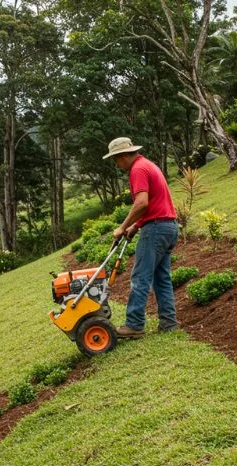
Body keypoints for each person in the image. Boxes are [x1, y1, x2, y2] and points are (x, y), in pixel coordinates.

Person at [103, 137, 178, 338]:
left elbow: (141, 203)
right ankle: (168, 323)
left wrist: (122, 227)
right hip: (169, 226)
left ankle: (134, 324)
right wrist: (136, 225)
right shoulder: (148, 165)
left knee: (140, 276)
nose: (116, 165)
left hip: (156, 229)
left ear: (124, 156)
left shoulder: (137, 170)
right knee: (161, 278)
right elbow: (154, 203)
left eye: (116, 160)